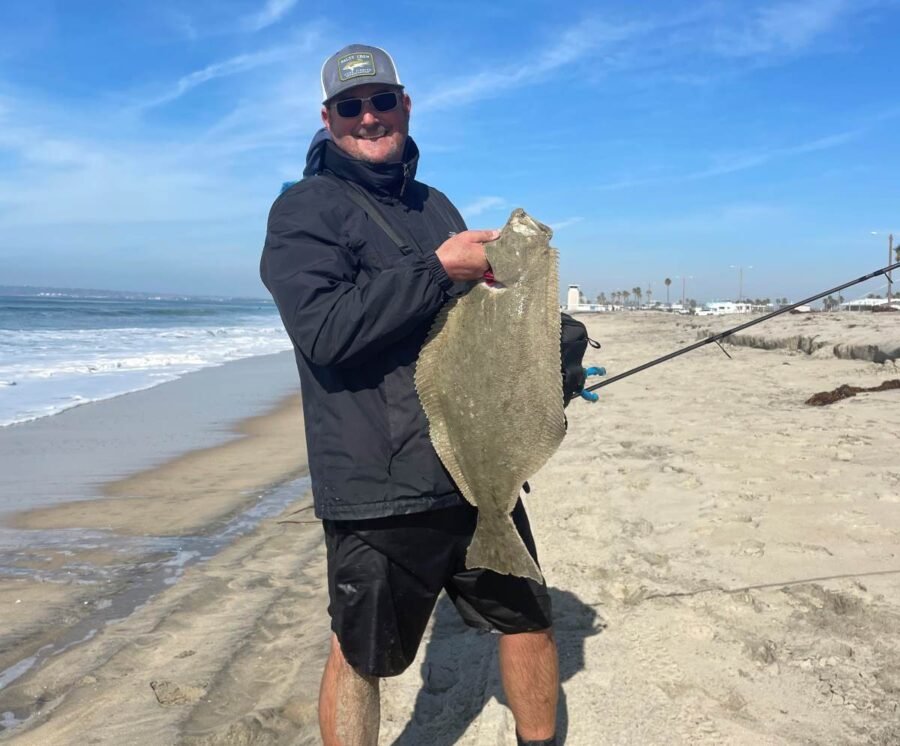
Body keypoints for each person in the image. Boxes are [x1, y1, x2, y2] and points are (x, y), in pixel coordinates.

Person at [260, 44, 559, 746]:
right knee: (363, 657)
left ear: (406, 104)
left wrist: (545, 340)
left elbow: (471, 325)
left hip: (477, 469)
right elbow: (326, 330)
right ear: (328, 117)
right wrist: (439, 267)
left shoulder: (435, 205)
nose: (369, 117)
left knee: (529, 618)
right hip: (380, 485)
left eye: (382, 101)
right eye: (351, 106)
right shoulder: (304, 211)